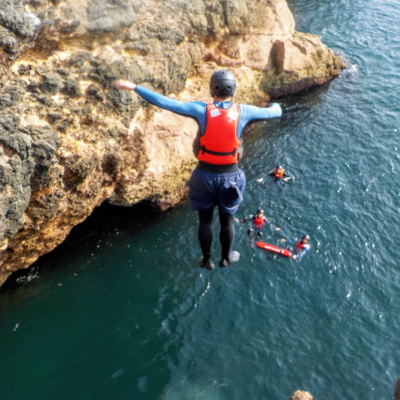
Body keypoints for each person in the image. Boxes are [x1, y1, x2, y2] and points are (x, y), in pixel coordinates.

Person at [114, 70, 282, 270]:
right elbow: (275, 111)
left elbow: (166, 102)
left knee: (205, 222)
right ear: (233, 90)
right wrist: (276, 105)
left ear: (212, 89)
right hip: (232, 178)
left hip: (203, 176)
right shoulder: (244, 111)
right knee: (227, 222)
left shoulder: (201, 110)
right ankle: (226, 258)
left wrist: (135, 87)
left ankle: (206, 259)